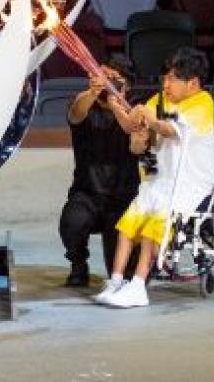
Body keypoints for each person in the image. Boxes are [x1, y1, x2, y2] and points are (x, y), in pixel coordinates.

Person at [96, 47, 214, 309]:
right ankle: (116, 281)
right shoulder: (159, 100)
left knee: (154, 227)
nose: (166, 84)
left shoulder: (202, 103)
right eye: (165, 78)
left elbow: (167, 129)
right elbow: (133, 126)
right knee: (127, 226)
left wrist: (146, 116)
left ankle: (139, 286)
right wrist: (116, 106)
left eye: (173, 79)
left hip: (191, 184)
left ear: (193, 83)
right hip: (160, 179)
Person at [59, 55, 141, 287]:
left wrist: (117, 104)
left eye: (112, 79)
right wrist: (94, 92)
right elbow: (75, 114)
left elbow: (137, 136)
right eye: (101, 76)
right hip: (88, 192)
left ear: (128, 84)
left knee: (120, 275)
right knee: (72, 223)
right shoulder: (83, 100)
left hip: (123, 196)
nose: (105, 83)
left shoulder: (136, 107)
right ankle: (78, 263)